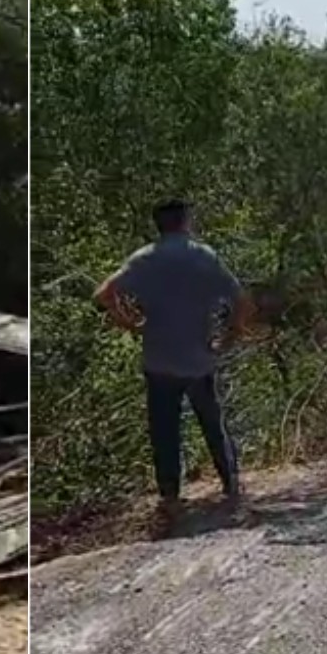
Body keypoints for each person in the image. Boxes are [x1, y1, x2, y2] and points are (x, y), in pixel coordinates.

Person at [94, 199, 255, 508]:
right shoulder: (204, 257)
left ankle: (170, 495)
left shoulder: (143, 259)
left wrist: (132, 325)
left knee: (164, 430)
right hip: (199, 356)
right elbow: (243, 302)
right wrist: (229, 336)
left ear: (159, 225)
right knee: (212, 422)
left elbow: (104, 294)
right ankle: (230, 484)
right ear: (186, 222)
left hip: (159, 358)